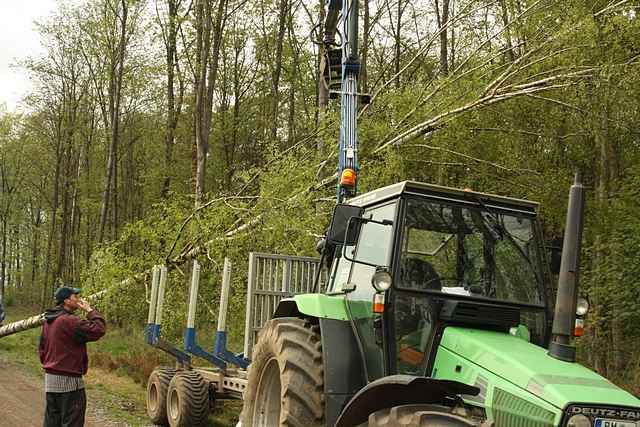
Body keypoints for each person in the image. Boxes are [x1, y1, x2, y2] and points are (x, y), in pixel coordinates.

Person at [39, 286, 106, 427]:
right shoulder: (70, 321)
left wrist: (52, 366)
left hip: (50, 383)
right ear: (66, 301)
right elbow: (99, 329)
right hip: (70, 384)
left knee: (52, 423)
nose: (79, 299)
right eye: (75, 296)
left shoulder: (48, 321)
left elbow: (42, 350)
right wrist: (90, 311)